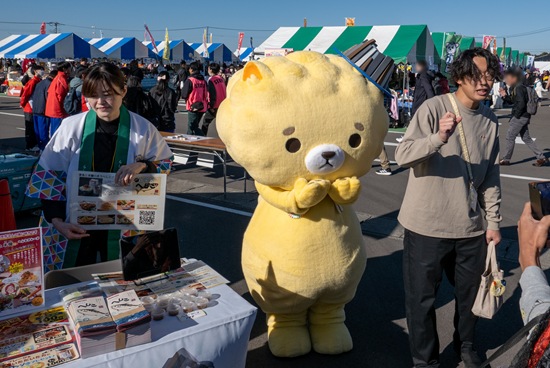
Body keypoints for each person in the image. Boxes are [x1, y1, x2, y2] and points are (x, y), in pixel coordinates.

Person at [395, 48, 503, 368]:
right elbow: (403, 156)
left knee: (470, 294)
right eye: (477, 75)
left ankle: (466, 345)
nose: (485, 82)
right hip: (426, 225)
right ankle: (425, 360)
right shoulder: (433, 108)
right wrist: (439, 137)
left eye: (489, 75)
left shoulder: (490, 119)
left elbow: (491, 175)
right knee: (421, 300)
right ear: (459, 78)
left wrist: (494, 222)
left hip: (470, 227)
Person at [25, 62, 173, 270]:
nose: (101, 102)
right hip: (75, 222)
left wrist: (143, 165)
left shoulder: (143, 129)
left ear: (123, 91)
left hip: (124, 223)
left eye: (108, 94)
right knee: (72, 284)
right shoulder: (71, 127)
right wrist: (57, 221)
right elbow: (50, 176)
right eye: (93, 95)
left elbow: (165, 164)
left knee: (121, 286)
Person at [499, 69, 548, 167]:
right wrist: (504, 96)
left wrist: (516, 116)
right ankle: (541, 157)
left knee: (510, 136)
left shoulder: (519, 88)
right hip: (524, 116)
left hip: (520, 116)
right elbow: (513, 101)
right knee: (526, 138)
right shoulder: (517, 87)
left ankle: (506, 159)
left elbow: (521, 103)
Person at [31, 70, 57, 150]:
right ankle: (44, 148)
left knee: (38, 130)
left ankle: (40, 146)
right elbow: (48, 98)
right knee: (43, 130)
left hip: (35, 108)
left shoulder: (40, 83)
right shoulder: (50, 84)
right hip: (43, 109)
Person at [19, 65, 44, 151]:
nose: (42, 71)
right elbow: (25, 94)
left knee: (35, 126)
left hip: (35, 107)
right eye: (40, 70)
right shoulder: (32, 82)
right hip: (29, 107)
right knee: (30, 126)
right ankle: (29, 146)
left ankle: (34, 143)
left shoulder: (39, 81)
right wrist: (22, 104)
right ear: (35, 72)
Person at [181, 62, 208, 136]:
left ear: (192, 69)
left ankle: (202, 139)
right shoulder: (203, 80)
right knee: (194, 126)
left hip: (192, 106)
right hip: (202, 106)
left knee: (191, 127)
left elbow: (184, 94)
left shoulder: (190, 80)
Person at [45, 61, 71, 136]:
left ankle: (52, 146)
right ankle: (55, 146)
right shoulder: (61, 79)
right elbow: (61, 95)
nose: (70, 70)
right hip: (57, 108)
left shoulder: (57, 77)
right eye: (69, 68)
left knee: (54, 129)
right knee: (57, 131)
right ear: (64, 69)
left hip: (52, 107)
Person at [203, 63, 227, 135]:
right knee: (222, 123)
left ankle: (202, 137)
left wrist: (211, 106)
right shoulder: (221, 79)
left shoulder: (212, 80)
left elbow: (212, 94)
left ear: (210, 70)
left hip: (215, 105)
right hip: (222, 104)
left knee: (205, 122)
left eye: (208, 68)